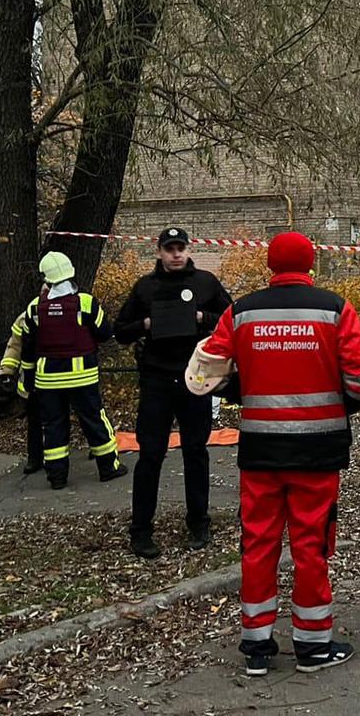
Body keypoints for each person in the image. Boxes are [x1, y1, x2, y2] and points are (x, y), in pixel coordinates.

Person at [201, 232, 360, 676]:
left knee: (257, 544)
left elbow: (207, 370)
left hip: (261, 449)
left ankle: (257, 644)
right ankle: (313, 645)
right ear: (312, 263)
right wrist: (344, 404)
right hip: (318, 450)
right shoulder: (333, 308)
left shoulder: (242, 311)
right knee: (311, 546)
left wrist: (241, 389)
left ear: (270, 266)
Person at [116, 227, 233, 558]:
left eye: (181, 247)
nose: (176, 254)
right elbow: (120, 330)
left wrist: (201, 318)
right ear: (159, 252)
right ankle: (141, 531)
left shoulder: (205, 283)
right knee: (150, 454)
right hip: (156, 380)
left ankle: (198, 523)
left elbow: (231, 318)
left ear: (189, 249)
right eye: (170, 249)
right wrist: (146, 325)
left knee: (196, 451)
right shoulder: (145, 288)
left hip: (195, 379)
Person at [17, 252, 126, 490]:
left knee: (53, 426)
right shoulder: (85, 303)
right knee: (95, 420)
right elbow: (106, 332)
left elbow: (27, 348)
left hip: (48, 380)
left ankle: (57, 477)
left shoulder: (35, 308)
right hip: (83, 376)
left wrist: (25, 381)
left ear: (46, 278)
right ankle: (109, 467)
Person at [0, 306, 43, 473]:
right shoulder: (26, 317)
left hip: (58, 380)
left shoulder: (64, 310)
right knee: (34, 422)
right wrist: (7, 370)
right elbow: (15, 346)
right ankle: (35, 458)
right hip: (31, 381)